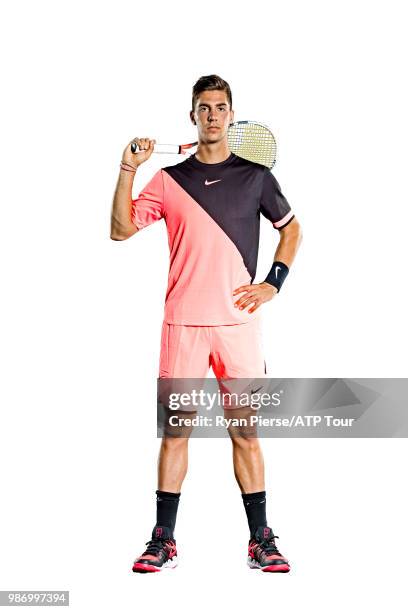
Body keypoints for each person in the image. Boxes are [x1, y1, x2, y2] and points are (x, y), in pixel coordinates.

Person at [110, 75, 302, 573]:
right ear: (192, 115)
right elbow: (120, 228)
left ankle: (261, 539)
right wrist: (128, 168)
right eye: (204, 107)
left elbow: (291, 228)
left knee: (246, 433)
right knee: (176, 434)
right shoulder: (170, 179)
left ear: (231, 114)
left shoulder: (256, 176)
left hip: (237, 327)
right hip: (183, 328)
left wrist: (273, 283)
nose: (213, 115)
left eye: (220, 107)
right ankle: (162, 540)